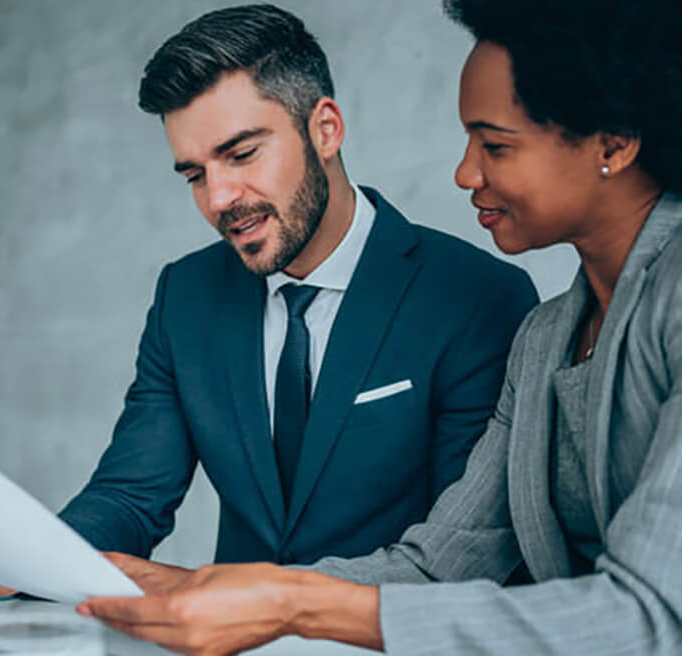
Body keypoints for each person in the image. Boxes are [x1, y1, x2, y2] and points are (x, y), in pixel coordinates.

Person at [74, 0, 682, 654]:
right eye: (195, 174)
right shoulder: (545, 336)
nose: (464, 173)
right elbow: (438, 564)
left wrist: (282, 601)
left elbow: (649, 614)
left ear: (613, 144)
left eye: (495, 145)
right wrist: (219, 593)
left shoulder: (494, 299)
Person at [0, 3, 535, 597]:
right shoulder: (186, 297)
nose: (220, 197)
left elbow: (461, 554)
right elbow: (130, 495)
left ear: (325, 129)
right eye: (194, 174)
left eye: (242, 153)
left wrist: (257, 602)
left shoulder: (475, 298)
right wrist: (34, 555)